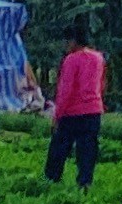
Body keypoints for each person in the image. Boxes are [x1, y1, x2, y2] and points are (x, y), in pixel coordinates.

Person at [44, 38, 107, 190]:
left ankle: (51, 181)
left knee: (58, 149)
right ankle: (85, 183)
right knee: (87, 150)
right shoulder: (98, 58)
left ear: (73, 41)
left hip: (72, 112)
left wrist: (57, 115)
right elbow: (102, 83)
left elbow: (66, 90)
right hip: (93, 110)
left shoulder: (71, 59)